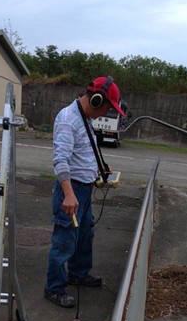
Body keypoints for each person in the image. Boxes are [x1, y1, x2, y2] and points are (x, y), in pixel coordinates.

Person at [44, 76, 126, 308]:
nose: (107, 112)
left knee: (85, 234)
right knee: (64, 241)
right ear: (97, 98)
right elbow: (60, 160)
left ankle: (78, 274)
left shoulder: (85, 118)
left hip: (85, 188)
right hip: (71, 190)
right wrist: (69, 195)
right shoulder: (69, 119)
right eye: (108, 107)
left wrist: (99, 169)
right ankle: (54, 288)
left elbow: (84, 150)